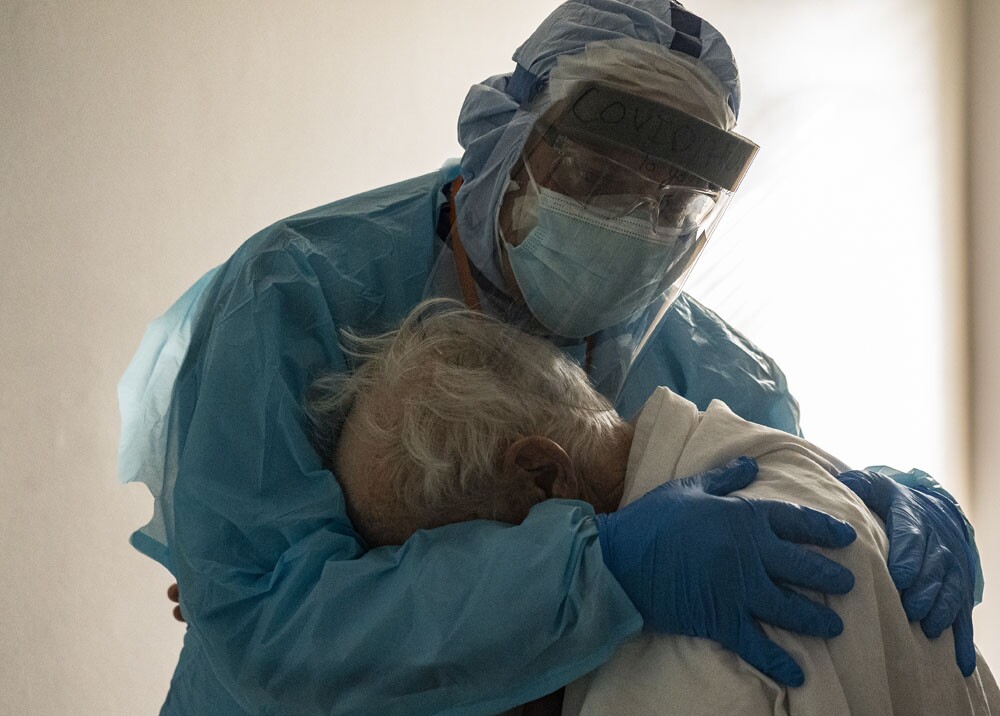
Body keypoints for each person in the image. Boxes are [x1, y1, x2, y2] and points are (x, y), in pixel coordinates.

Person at [117, 2, 982, 714]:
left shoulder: (720, 373)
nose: (634, 222)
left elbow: (782, 548)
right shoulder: (296, 293)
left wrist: (872, 508)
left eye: (676, 202)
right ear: (502, 137)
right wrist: (597, 569)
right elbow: (267, 621)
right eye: (599, 177)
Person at [310, 298, 998, 716]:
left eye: (459, 559)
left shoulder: (680, 646)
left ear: (545, 475)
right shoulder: (797, 471)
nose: (477, 613)